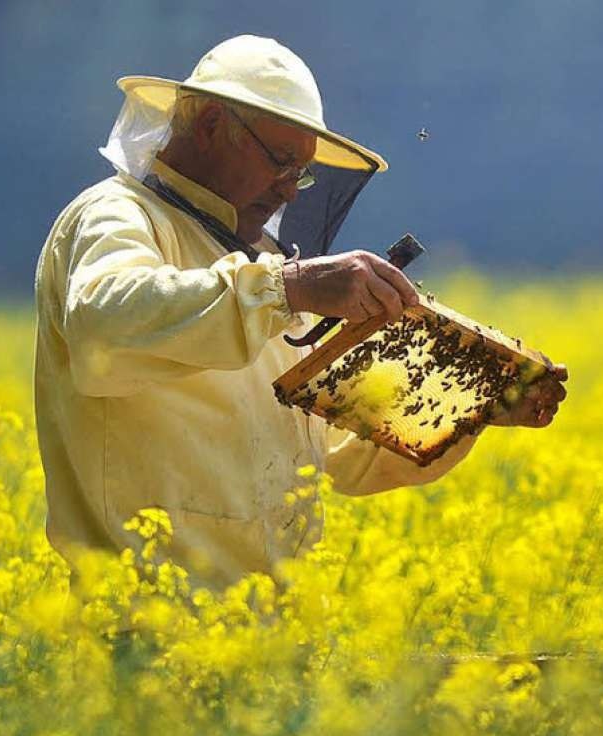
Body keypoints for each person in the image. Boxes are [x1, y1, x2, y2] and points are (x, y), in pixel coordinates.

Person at [34, 35, 566, 588]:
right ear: (212, 125)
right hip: (142, 622)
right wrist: (289, 287)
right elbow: (104, 328)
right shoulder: (116, 215)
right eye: (283, 162)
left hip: (273, 624)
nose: (290, 193)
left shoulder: (256, 264)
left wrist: (472, 405)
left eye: (302, 174)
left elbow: (328, 451)